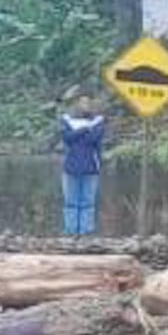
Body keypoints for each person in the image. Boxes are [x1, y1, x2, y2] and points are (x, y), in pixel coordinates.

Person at [58, 96, 110, 236]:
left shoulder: (98, 122)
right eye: (82, 102)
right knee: (71, 202)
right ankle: (71, 231)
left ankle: (86, 231)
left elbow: (94, 139)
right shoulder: (66, 120)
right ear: (76, 105)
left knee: (88, 202)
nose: (85, 105)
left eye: (87, 102)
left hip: (91, 167)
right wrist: (84, 130)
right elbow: (67, 138)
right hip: (71, 167)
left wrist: (79, 133)